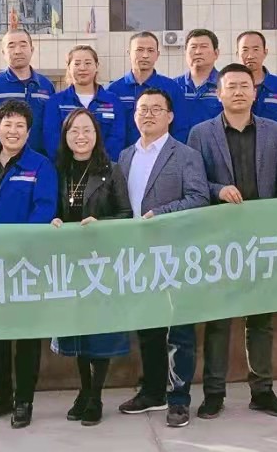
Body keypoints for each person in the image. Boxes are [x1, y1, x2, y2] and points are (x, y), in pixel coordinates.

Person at [186, 63, 277, 420]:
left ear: (255, 92)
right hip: (221, 239)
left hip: (262, 238)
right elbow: (195, 184)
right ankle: (214, 393)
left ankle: (262, 391)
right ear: (218, 93)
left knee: (261, 320)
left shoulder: (274, 131)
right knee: (219, 320)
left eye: (244, 86)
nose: (238, 92)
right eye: (230, 86)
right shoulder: (201, 134)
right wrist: (218, 190)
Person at [115, 88, 209, 429]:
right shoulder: (125, 156)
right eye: (143, 109)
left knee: (178, 329)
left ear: (170, 116)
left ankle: (178, 398)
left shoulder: (185, 155)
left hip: (174, 252)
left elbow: (199, 198)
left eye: (156, 109)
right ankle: (152, 391)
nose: (149, 114)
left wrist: (162, 214)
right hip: (137, 254)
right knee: (148, 327)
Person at [0, 99, 58, 429]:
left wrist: (16, 247)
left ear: (29, 132)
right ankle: (1, 396)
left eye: (20, 126)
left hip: (23, 264)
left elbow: (44, 210)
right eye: (8, 125)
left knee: (26, 335)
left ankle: (24, 400)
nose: (13, 131)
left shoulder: (40, 166)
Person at [49, 108, 132, 427]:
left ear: (97, 135)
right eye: (74, 131)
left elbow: (126, 214)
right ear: (65, 136)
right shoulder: (57, 169)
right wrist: (53, 221)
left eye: (87, 130)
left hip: (102, 262)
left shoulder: (111, 169)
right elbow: (50, 208)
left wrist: (102, 224)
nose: (80, 136)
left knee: (101, 332)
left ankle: (95, 395)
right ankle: (83, 390)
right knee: (78, 330)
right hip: (69, 262)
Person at [42, 45, 125, 160]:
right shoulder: (56, 102)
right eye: (77, 64)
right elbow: (51, 139)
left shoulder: (113, 101)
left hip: (103, 166)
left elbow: (117, 138)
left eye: (88, 63)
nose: (82, 68)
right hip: (67, 167)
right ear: (69, 67)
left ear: (96, 66)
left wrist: (99, 163)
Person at [107, 32, 188, 147]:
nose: (145, 55)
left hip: (162, 155)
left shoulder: (172, 88)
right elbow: (108, 129)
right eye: (139, 50)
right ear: (129, 53)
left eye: (150, 50)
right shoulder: (113, 90)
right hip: (124, 155)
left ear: (157, 55)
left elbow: (180, 129)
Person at [0, 29, 55, 154]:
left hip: (39, 159)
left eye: (23, 45)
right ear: (3, 52)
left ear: (32, 50)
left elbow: (51, 127)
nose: (18, 51)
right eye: (11, 46)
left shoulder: (46, 86)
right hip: (2, 159)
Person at [236, 30, 277, 158]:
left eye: (256, 49)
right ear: (237, 54)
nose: (250, 55)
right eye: (245, 50)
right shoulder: (231, 88)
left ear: (265, 52)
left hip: (275, 160)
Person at [175, 29, 222, 129]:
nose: (198, 52)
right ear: (185, 53)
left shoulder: (225, 85)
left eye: (204, 47)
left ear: (216, 53)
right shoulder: (174, 86)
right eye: (193, 47)